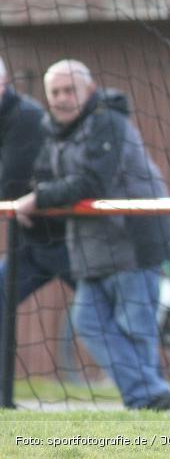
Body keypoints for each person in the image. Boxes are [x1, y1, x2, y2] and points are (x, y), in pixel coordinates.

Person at [13, 60, 170, 411]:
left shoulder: (108, 121)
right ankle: (150, 394)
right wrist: (39, 197)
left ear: (88, 90)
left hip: (134, 242)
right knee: (88, 321)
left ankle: (146, 400)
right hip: (91, 248)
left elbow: (91, 182)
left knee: (136, 332)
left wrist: (39, 198)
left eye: (68, 90)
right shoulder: (54, 132)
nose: (61, 98)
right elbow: (42, 177)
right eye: (54, 92)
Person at [0, 57, 73, 339]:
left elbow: (12, 183)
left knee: (99, 320)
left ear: (4, 84)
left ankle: (148, 384)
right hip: (31, 240)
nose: (62, 98)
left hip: (66, 238)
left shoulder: (26, 117)